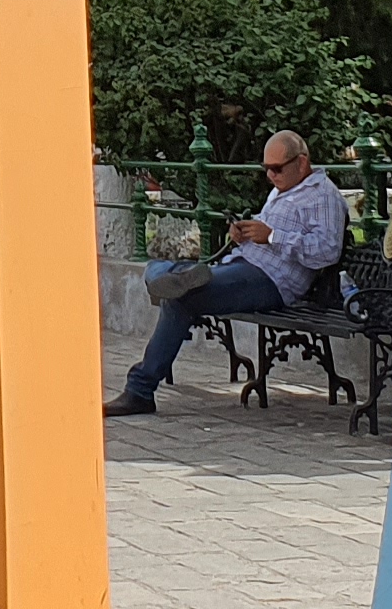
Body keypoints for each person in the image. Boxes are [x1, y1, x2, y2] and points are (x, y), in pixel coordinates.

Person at [108, 132, 345, 416]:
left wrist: (272, 237)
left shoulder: (322, 195)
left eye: (277, 168)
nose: (270, 175)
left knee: (181, 295)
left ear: (302, 162)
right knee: (167, 277)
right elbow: (269, 234)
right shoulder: (283, 189)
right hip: (243, 264)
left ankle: (139, 390)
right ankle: (165, 277)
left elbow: (327, 251)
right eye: (266, 168)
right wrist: (246, 233)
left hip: (272, 281)